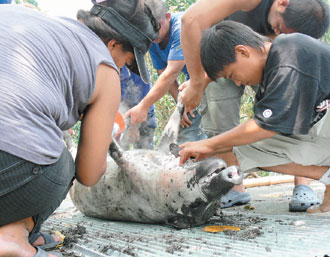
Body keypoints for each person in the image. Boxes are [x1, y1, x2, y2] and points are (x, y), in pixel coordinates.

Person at [0, 1, 159, 256]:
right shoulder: (106, 69)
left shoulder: (24, 17)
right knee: (62, 165)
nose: (121, 69)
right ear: (113, 44)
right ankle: (13, 235)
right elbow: (88, 174)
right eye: (126, 62)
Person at [180, 0, 330, 211]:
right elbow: (260, 129)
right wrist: (213, 148)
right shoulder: (270, 76)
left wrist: (208, 144)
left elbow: (264, 128)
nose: (238, 83)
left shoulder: (290, 51)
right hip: (320, 133)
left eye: (232, 75)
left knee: (249, 135)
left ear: (243, 52)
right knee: (240, 150)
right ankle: (327, 177)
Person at [124, 0, 207, 144]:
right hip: (193, 81)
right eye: (149, 30)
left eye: (157, 27)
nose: (153, 33)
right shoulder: (154, 40)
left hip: (213, 73)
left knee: (216, 126)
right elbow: (165, 76)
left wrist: (143, 107)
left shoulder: (181, 28)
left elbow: (172, 72)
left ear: (167, 17)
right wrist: (182, 107)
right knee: (186, 129)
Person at [119, 66, 157, 149]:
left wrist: (134, 127)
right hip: (121, 116)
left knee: (144, 152)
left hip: (143, 115)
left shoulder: (138, 70)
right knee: (119, 151)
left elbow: (142, 104)